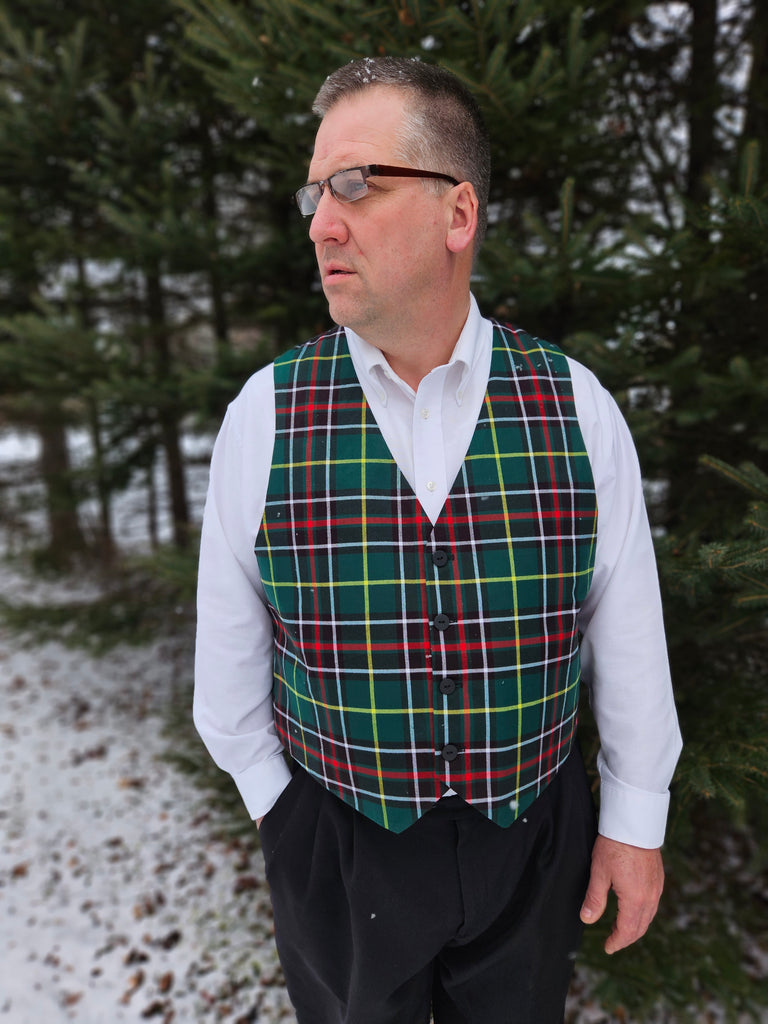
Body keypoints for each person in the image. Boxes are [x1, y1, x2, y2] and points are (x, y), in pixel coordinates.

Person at [194, 56, 682, 1024]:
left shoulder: (574, 405)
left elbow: (625, 633)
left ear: (458, 213)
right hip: (339, 839)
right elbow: (228, 666)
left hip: (530, 838)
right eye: (314, 193)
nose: (320, 223)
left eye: (355, 184)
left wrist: (634, 820)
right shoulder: (268, 415)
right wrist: (282, 814)